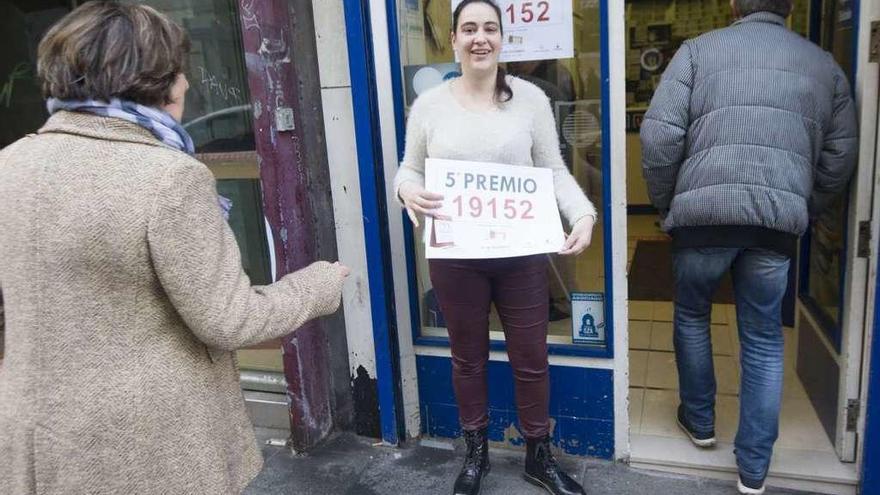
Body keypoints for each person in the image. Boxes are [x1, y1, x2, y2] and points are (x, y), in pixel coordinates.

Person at [0, 3, 349, 494]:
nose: (186, 83)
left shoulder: (9, 163)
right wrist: (318, 286)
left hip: (33, 439)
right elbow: (230, 319)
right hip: (143, 448)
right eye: (179, 70)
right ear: (155, 81)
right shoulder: (168, 177)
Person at [640, 0, 858, 493]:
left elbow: (658, 136)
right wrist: (803, 204)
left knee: (692, 315)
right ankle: (753, 468)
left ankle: (699, 424)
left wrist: (669, 204)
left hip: (702, 222)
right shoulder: (824, 65)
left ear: (735, 4)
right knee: (762, 338)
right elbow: (840, 154)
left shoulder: (697, 53)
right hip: (773, 228)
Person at [394, 1, 596, 494]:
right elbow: (409, 169)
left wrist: (583, 213)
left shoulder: (529, 99)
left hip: (521, 256)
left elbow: (552, 169)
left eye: (489, 28)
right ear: (454, 39)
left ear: (503, 38)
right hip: (456, 258)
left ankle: (537, 456)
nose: (479, 37)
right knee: (468, 358)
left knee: (532, 358)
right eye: (469, 29)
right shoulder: (430, 106)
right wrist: (406, 190)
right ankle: (476, 453)